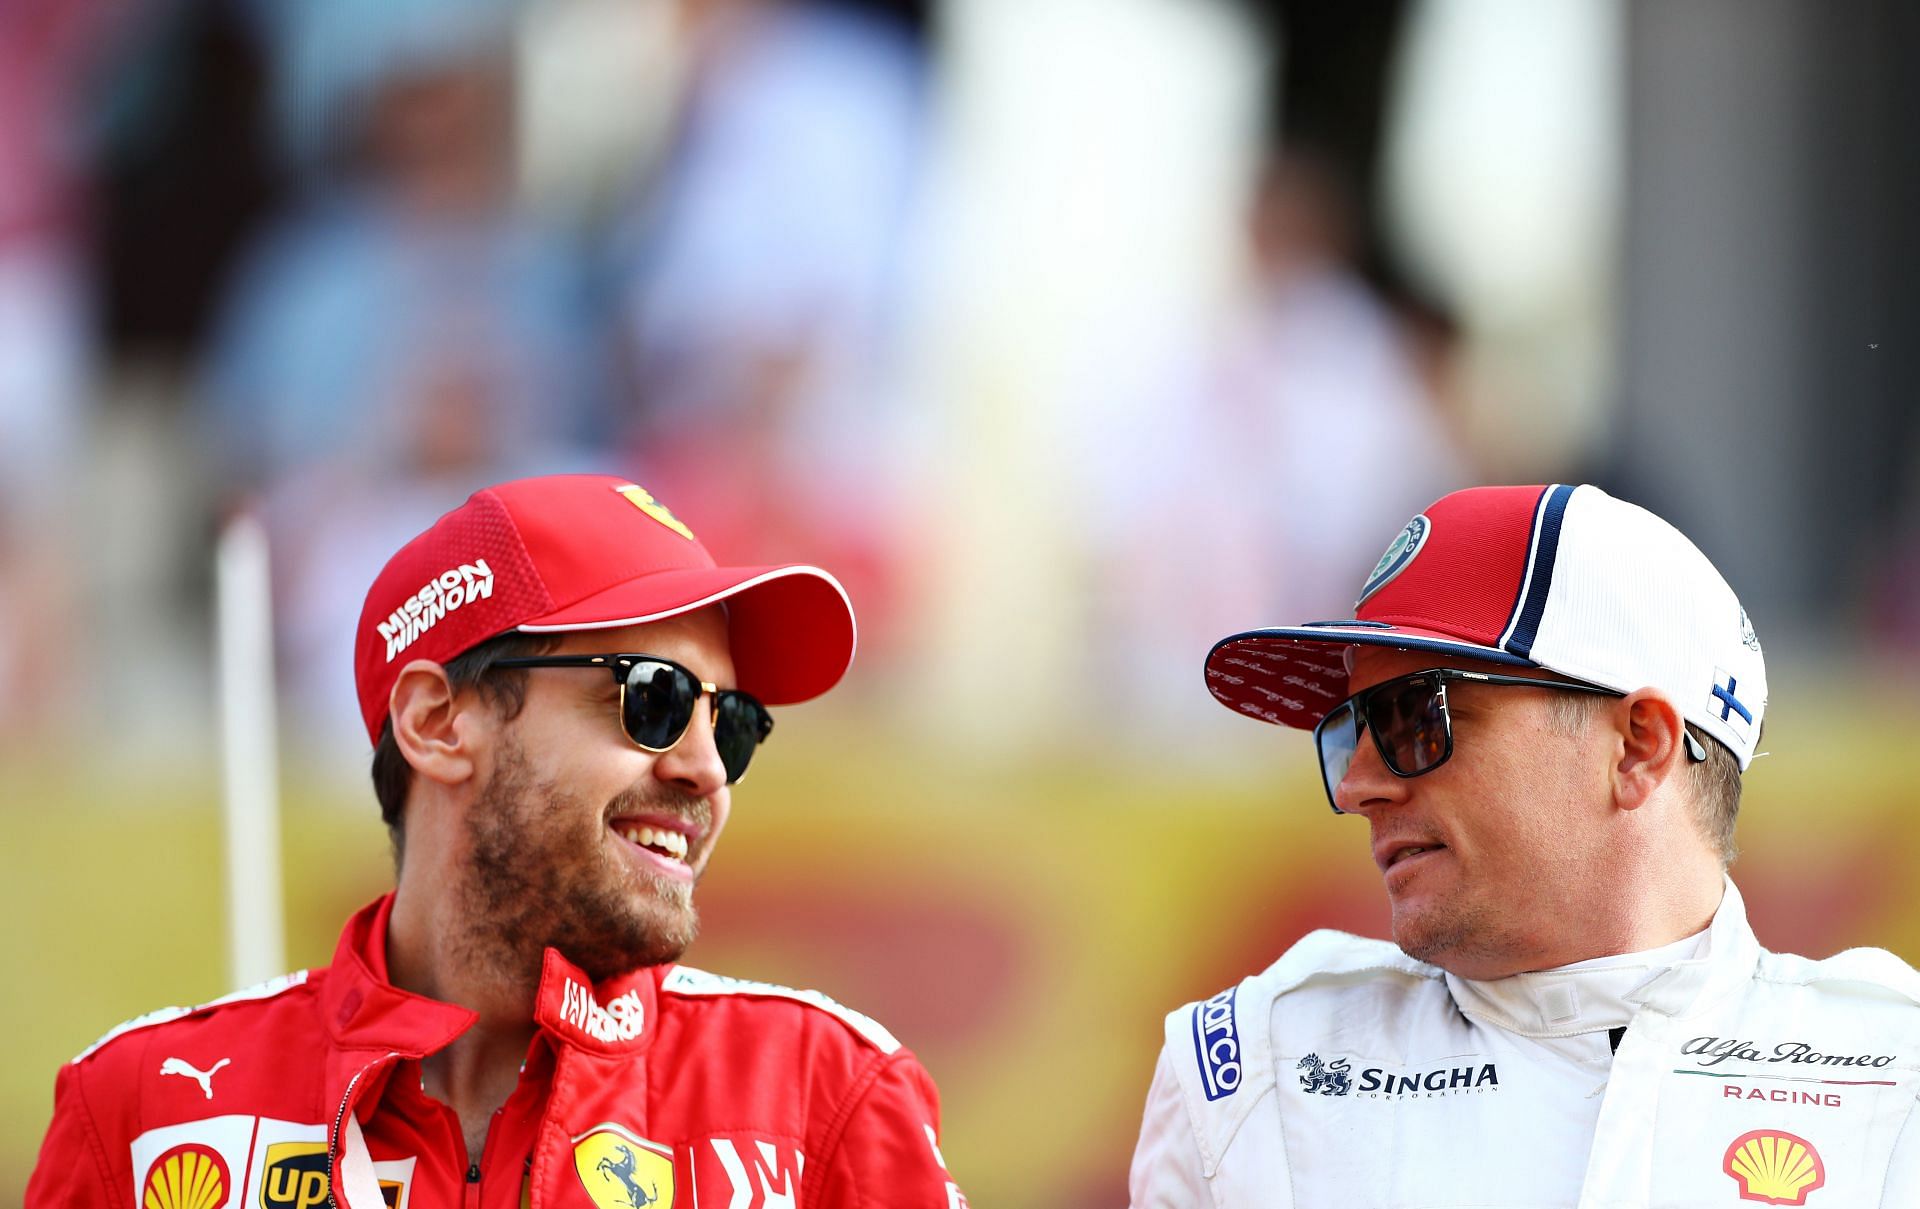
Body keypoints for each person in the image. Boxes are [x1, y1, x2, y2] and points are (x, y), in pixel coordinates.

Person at [29, 473, 968, 1207]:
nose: (707, 772)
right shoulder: (146, 1113)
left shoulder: (824, 1098)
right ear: (438, 722)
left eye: (732, 725)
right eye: (653, 699)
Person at [1129, 483, 1920, 1207]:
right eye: (1350, 728)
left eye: (1414, 714)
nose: (1355, 785)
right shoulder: (1251, 1072)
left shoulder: (1895, 1077)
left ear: (1638, 747)